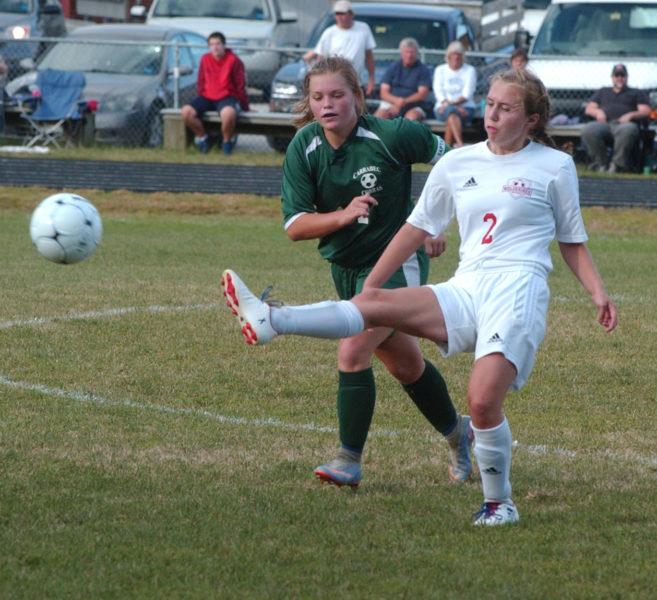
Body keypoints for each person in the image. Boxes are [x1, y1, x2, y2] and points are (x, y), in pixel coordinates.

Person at [221, 68, 618, 526]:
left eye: (505, 108)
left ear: (531, 119)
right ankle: (272, 320)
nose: (491, 114)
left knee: (482, 400)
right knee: (379, 322)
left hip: (517, 289)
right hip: (467, 286)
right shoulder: (459, 163)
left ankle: (498, 503)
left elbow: (571, 239)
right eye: (488, 104)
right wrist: (375, 283)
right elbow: (417, 227)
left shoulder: (554, 165)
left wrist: (597, 292)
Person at [250, 56, 473, 490]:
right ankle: (458, 433)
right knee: (405, 365)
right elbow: (295, 226)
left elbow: (459, 168)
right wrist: (343, 214)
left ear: (358, 96)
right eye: (317, 97)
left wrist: (433, 222)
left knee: (352, 351)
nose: (327, 104)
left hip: (396, 264)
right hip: (346, 268)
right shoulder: (305, 147)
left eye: (337, 94)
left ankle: (348, 461)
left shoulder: (392, 134)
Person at [181, 31, 250, 155]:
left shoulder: (234, 60)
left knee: (228, 114)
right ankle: (204, 139)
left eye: (218, 44)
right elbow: (201, 82)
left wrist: (245, 107)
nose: (215, 47)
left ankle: (226, 142)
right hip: (207, 96)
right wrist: (199, 100)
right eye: (212, 44)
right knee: (186, 112)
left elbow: (240, 86)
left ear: (224, 45)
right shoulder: (205, 59)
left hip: (227, 96)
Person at [581, 63, 651, 173]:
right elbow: (589, 108)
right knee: (588, 129)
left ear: (626, 77)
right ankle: (601, 164)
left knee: (628, 129)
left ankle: (617, 165)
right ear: (612, 77)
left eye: (622, 76)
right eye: (617, 75)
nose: (620, 78)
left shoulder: (635, 92)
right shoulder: (603, 91)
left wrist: (631, 115)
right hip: (604, 124)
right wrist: (598, 112)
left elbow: (646, 111)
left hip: (624, 125)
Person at [303, 0, 376, 97]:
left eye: (343, 13)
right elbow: (320, 59)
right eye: (337, 13)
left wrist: (371, 79)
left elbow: (369, 56)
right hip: (334, 85)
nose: (340, 17)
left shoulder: (363, 28)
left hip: (356, 83)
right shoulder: (329, 32)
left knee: (358, 111)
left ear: (351, 14)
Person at [373, 37, 433, 121]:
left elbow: (422, 94)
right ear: (401, 52)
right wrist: (397, 101)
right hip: (392, 103)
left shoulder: (423, 70)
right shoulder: (393, 67)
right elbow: (383, 92)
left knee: (409, 121)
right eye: (406, 52)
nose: (409, 55)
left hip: (414, 105)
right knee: (378, 118)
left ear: (416, 53)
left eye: (412, 52)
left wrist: (403, 102)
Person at [432, 41, 477, 148]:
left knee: (451, 116)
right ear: (448, 56)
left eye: (459, 54)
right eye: (453, 54)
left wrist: (451, 105)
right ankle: (460, 145)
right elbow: (438, 91)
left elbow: (467, 94)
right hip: (443, 108)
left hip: (465, 109)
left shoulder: (470, 70)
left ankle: (446, 152)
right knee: (452, 113)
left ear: (463, 56)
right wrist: (455, 107)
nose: (456, 57)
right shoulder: (440, 70)